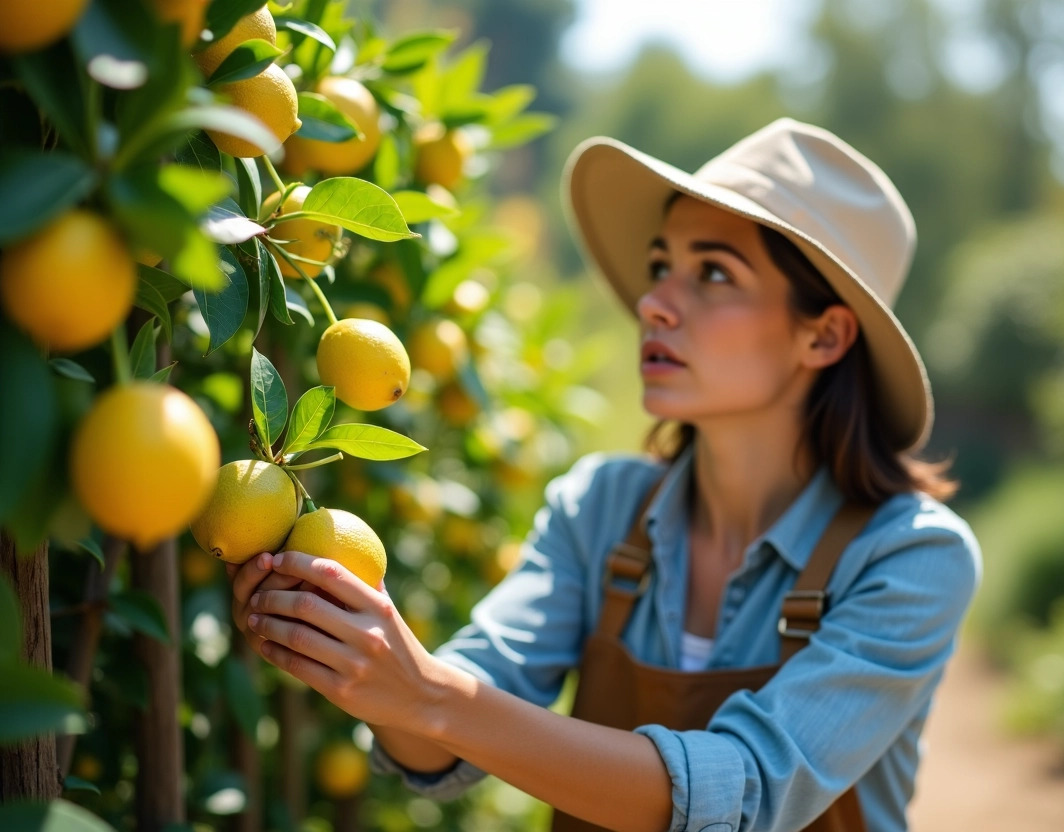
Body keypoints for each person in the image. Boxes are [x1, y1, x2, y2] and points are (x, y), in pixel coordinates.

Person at [226, 118, 981, 832]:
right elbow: (446, 733)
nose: (654, 303)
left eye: (713, 273)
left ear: (824, 334)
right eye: (661, 267)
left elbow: (745, 790)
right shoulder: (602, 507)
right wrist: (359, 662)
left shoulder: (912, 557)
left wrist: (425, 693)